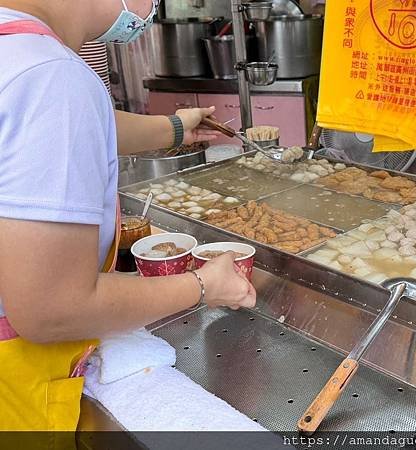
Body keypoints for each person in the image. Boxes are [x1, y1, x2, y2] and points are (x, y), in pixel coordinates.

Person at [0, 0, 256, 433]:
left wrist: (174, 128)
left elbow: (83, 123)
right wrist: (202, 285)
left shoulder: (19, 53)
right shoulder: (50, 77)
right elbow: (51, 309)